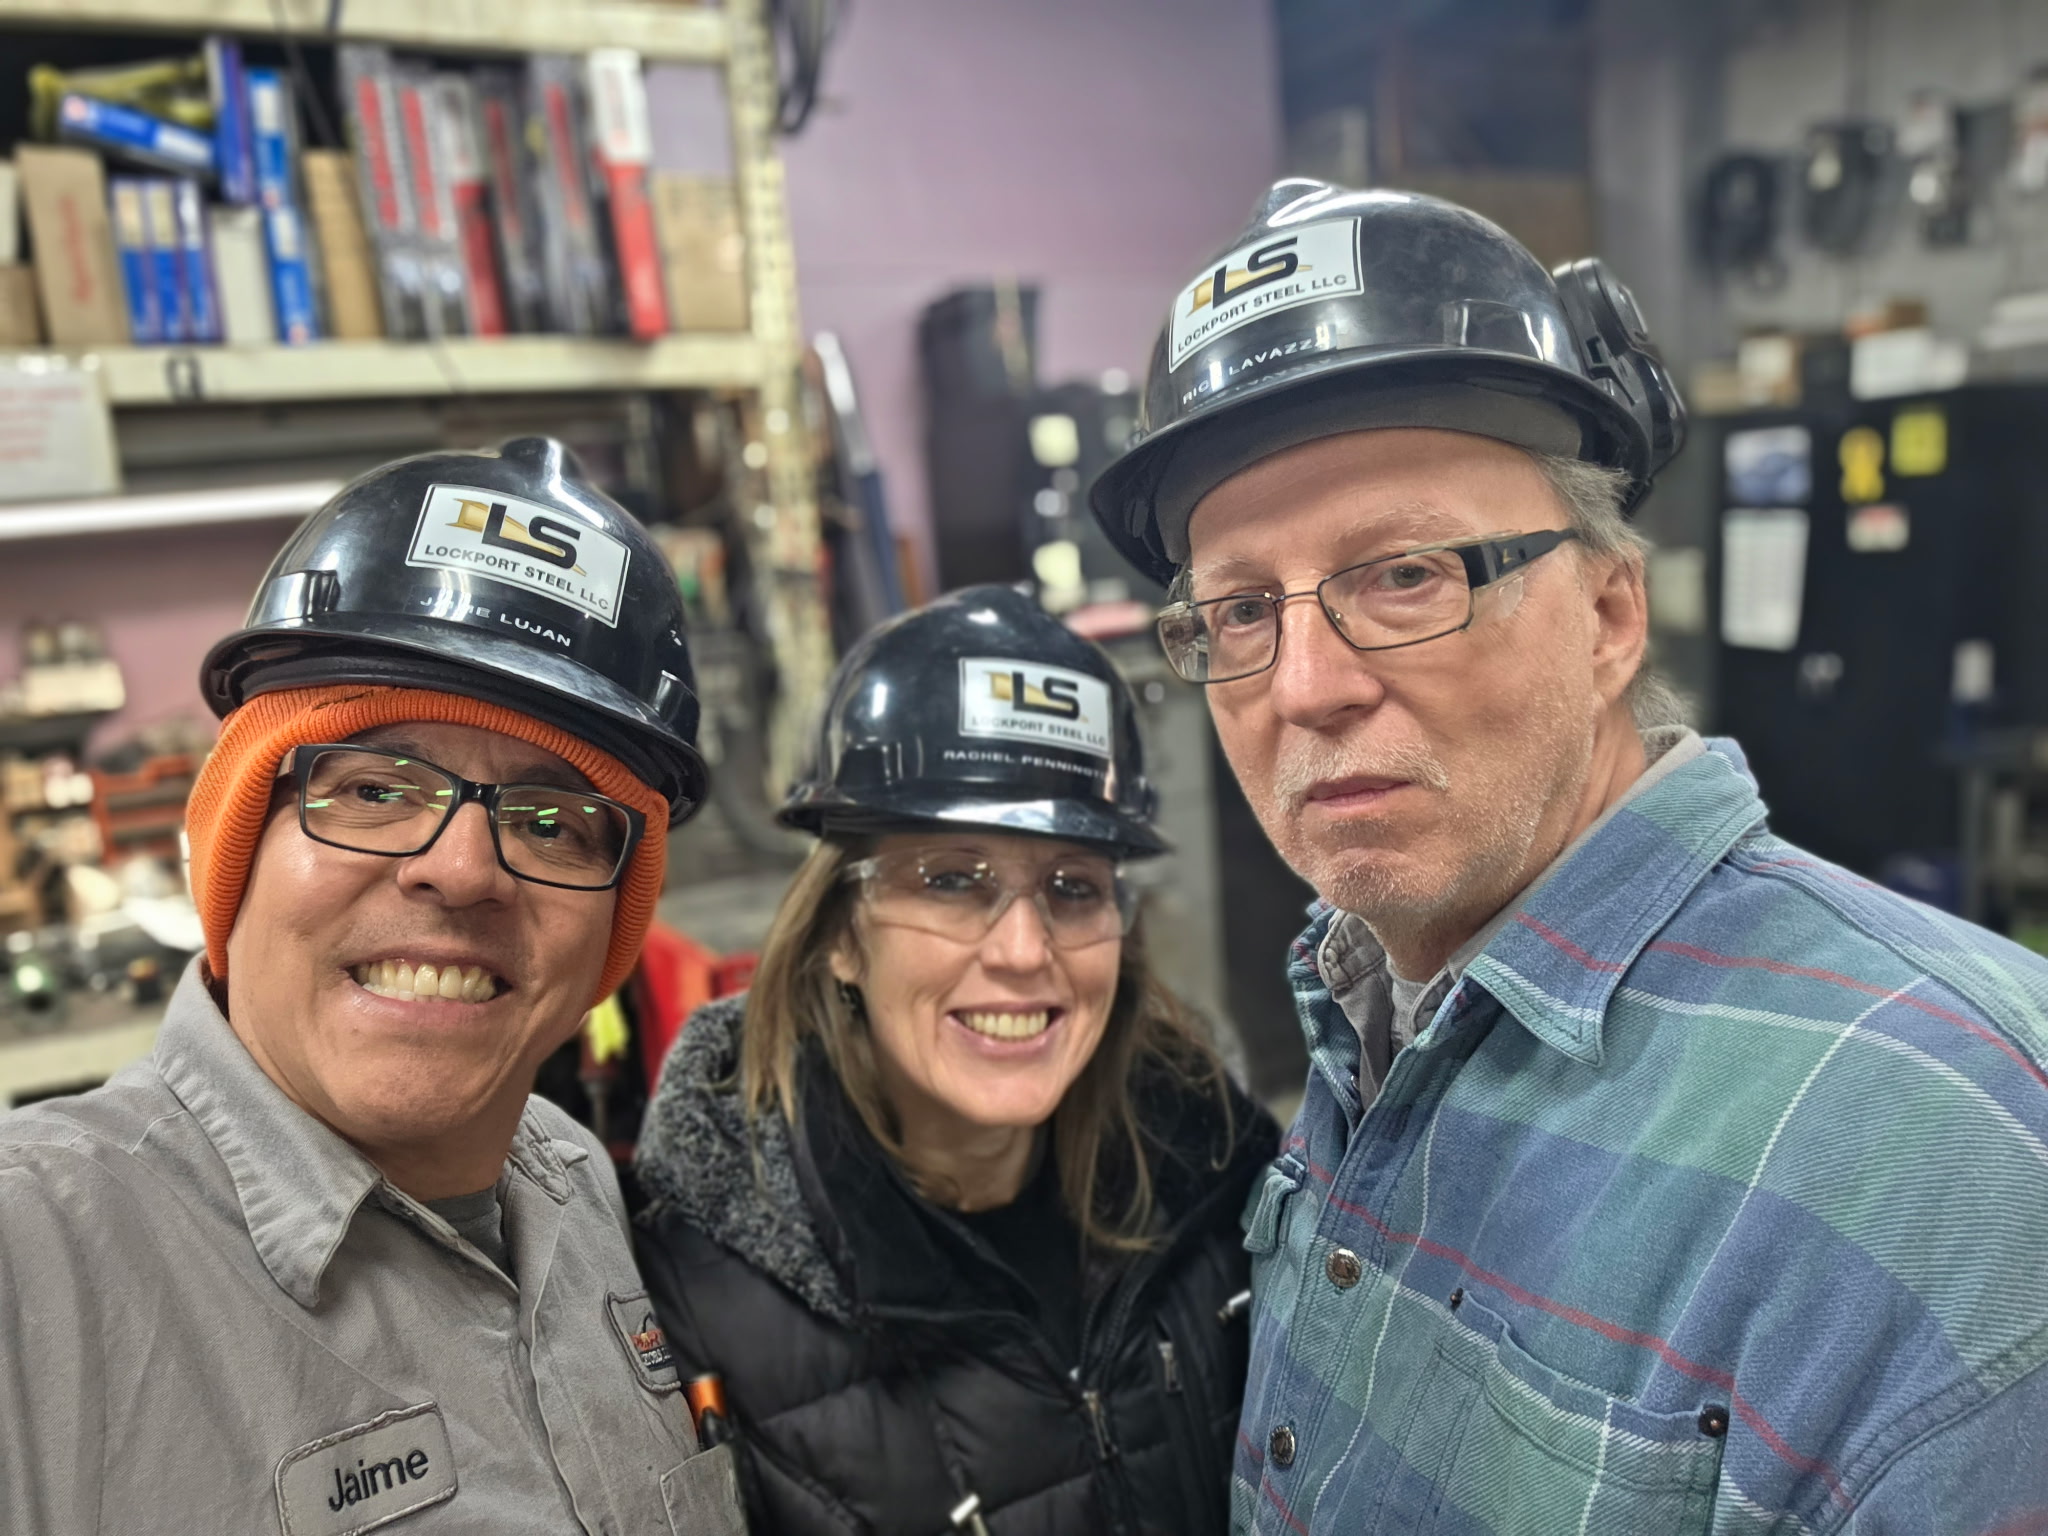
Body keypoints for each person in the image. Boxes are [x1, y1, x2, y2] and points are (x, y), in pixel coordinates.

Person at [1089, 179, 2048, 1534]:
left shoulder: (1967, 1152)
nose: (1303, 685)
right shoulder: (1371, 1007)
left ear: (1609, 615)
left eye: (1406, 574)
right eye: (1241, 609)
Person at [0, 438, 746, 1534]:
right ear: (237, 839)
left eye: (552, 821)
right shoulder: (33, 1264)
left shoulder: (577, 1185)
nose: (462, 868)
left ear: (610, 930)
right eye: (373, 787)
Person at [632, 584, 1276, 1536]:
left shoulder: (1218, 1173)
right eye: (950, 880)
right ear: (841, 937)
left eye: (1073, 886)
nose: (1023, 950)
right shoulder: (697, 1300)